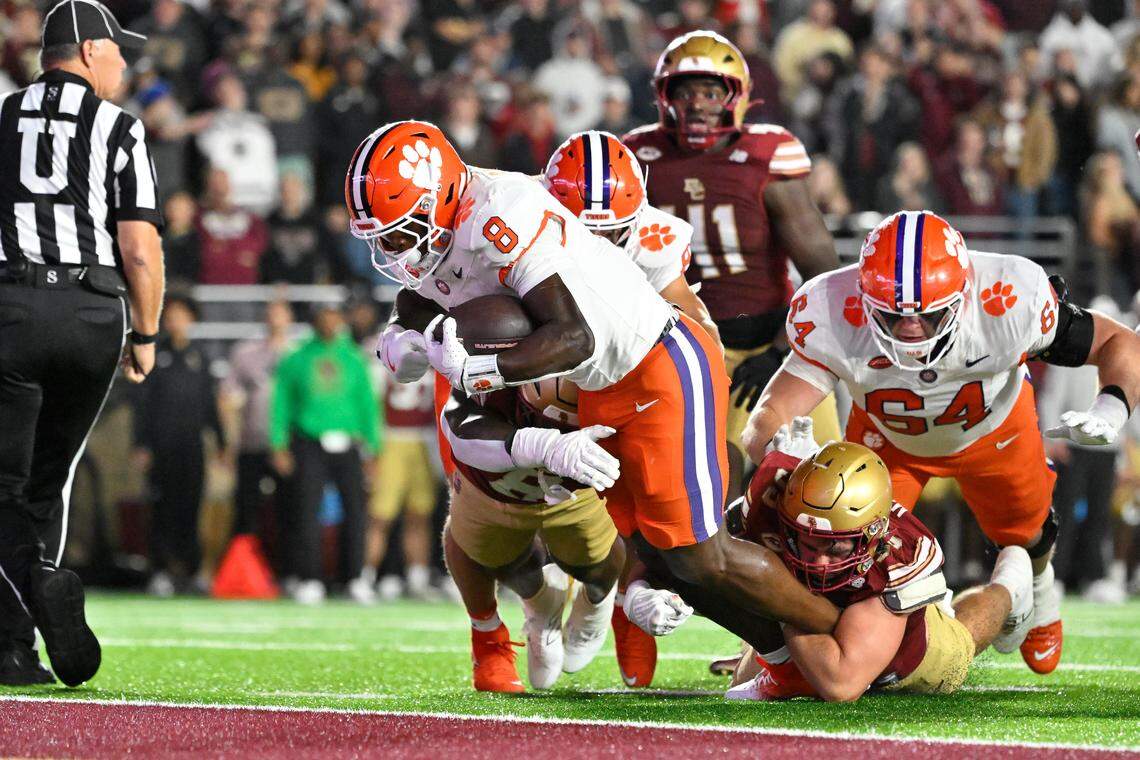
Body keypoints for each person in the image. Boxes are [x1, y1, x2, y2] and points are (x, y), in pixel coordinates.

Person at [352, 121, 840, 678]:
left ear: (439, 198)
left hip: (653, 366)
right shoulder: (456, 217)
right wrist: (400, 338)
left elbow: (573, 335)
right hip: (599, 383)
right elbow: (418, 299)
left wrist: (481, 369)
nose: (394, 248)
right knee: (660, 554)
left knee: (704, 556)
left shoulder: (498, 215)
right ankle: (783, 661)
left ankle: (834, 633)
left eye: (400, 230)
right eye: (384, 237)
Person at [741, 210, 1140, 675]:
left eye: (929, 315)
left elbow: (1118, 342)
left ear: (963, 293)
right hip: (888, 443)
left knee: (1029, 535)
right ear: (864, 298)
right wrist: (781, 449)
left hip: (994, 431)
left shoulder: (1007, 299)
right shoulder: (832, 308)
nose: (911, 330)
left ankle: (1041, 590)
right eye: (892, 317)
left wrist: (1111, 408)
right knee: (839, 546)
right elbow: (767, 418)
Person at [0, 0, 162, 688]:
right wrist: (146, 332)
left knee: (2, 484)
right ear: (89, 51)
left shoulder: (3, 118)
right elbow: (140, 246)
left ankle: (19, 623)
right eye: (117, 49)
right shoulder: (118, 126)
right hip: (94, 311)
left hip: (10, 305)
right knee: (47, 482)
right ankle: (31, 606)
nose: (124, 61)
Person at [623, 30, 841, 506]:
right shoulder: (638, 160)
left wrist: (783, 350)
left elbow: (824, 274)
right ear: (665, 96)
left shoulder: (766, 157)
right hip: (689, 347)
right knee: (702, 490)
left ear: (735, 96)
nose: (697, 103)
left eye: (710, 90)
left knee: (819, 480)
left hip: (772, 342)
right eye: (684, 90)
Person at [724, 430, 1033, 702]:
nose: (819, 562)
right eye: (807, 540)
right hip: (820, 622)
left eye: (835, 546)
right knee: (741, 680)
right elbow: (713, 560)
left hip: (905, 663)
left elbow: (841, 684)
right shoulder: (769, 506)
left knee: (959, 638)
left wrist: (781, 594)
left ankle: (1011, 584)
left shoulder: (895, 559)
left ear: (874, 533)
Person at [270, 303, 380, 605]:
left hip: (348, 442)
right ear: (314, 322)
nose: (330, 323)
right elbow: (281, 402)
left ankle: (354, 577)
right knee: (306, 511)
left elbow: (367, 404)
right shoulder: (296, 358)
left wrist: (374, 447)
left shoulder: (354, 358)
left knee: (356, 512)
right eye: (324, 318)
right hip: (309, 441)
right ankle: (310, 578)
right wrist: (278, 443)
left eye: (335, 317)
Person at [133, 294, 225, 597]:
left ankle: (190, 571)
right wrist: (142, 444)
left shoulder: (201, 358)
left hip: (192, 446)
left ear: (192, 319)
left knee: (190, 508)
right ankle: (159, 571)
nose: (176, 321)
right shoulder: (155, 355)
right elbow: (143, 404)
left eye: (182, 315)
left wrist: (221, 440)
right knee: (162, 509)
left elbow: (210, 404)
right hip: (162, 447)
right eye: (171, 316)